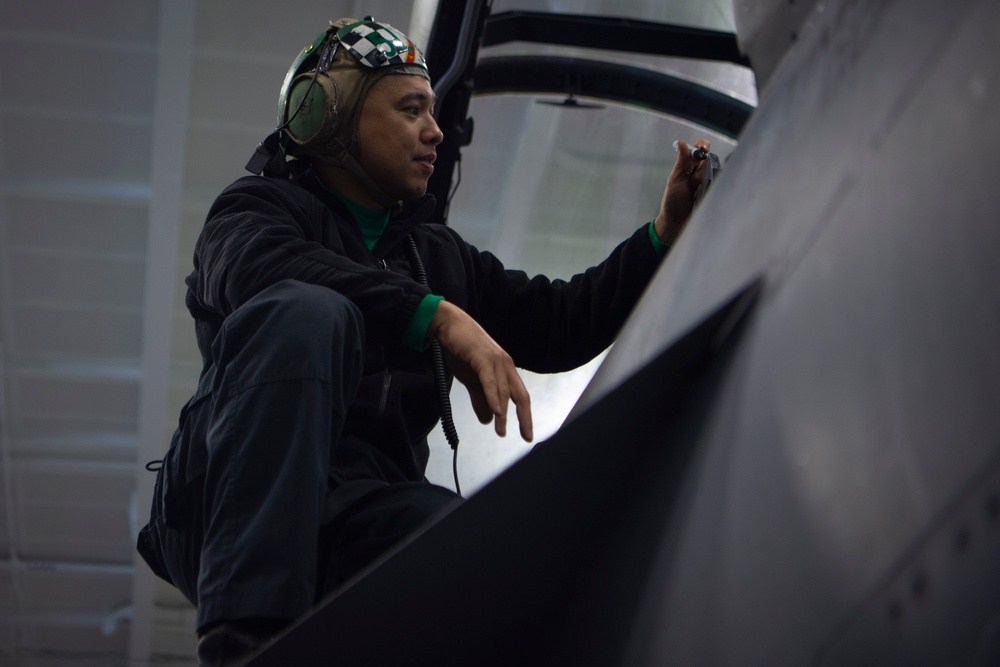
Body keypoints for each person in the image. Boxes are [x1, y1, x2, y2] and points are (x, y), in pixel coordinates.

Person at [136, 17, 711, 666]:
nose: (434, 130)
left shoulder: (435, 254)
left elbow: (559, 320)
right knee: (308, 312)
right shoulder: (255, 210)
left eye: (433, 111)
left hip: (360, 507)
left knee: (473, 552)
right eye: (411, 109)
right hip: (232, 505)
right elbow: (258, 272)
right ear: (328, 118)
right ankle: (242, 642)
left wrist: (662, 236)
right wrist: (435, 317)